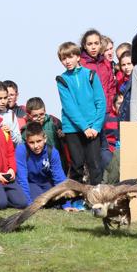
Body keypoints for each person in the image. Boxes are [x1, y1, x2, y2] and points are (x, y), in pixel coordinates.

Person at [56, 41, 106, 185]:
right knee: (77, 165)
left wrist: (96, 127)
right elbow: (69, 106)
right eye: (63, 59)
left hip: (93, 129)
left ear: (78, 57)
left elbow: (100, 102)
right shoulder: (62, 80)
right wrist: (84, 127)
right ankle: (76, 199)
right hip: (73, 128)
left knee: (95, 165)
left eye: (70, 57)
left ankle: (95, 198)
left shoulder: (90, 75)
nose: (67, 61)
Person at [15, 121, 68, 207]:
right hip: (29, 183)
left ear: (45, 139)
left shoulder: (52, 152)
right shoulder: (21, 150)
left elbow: (60, 179)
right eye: (31, 142)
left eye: (39, 141)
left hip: (45, 182)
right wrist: (29, 204)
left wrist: (66, 205)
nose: (36, 146)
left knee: (55, 201)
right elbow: (22, 179)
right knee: (40, 199)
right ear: (26, 141)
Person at [21, 97, 67, 172]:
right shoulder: (26, 131)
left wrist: (63, 137)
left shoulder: (54, 122)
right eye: (35, 116)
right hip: (38, 165)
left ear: (45, 111)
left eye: (42, 114)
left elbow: (66, 141)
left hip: (58, 162)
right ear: (29, 115)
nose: (39, 118)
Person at [80, 29, 116, 109]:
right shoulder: (80, 64)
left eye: (96, 43)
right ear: (84, 46)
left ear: (100, 45)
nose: (93, 47)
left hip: (107, 110)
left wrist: (111, 105)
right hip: (89, 111)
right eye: (90, 44)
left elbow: (111, 87)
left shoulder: (105, 63)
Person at [0, 81, 22, 145]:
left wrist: (10, 132)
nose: (3, 101)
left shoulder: (11, 114)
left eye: (5, 98)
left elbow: (19, 140)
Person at [117, 51, 134, 122]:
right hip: (125, 116)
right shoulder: (123, 82)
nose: (126, 67)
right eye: (123, 65)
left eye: (129, 64)